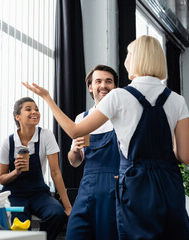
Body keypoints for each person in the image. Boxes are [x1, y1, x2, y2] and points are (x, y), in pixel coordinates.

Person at [23, 35, 189, 240]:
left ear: (138, 58)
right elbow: (185, 156)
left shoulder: (119, 96)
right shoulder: (177, 100)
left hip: (135, 182)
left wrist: (48, 99)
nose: (126, 60)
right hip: (169, 183)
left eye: (129, 54)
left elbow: (75, 131)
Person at [0, 97, 72, 240]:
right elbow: (2, 178)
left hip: (39, 192)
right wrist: (16, 172)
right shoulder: (8, 142)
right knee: (19, 225)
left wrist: (67, 206)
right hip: (15, 194)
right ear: (17, 116)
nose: (35, 112)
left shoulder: (45, 135)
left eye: (36, 109)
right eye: (29, 109)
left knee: (56, 213)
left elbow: (55, 173)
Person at [66, 65, 119, 240]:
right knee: (75, 234)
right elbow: (75, 161)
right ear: (90, 87)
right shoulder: (81, 118)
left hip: (115, 187)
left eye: (108, 81)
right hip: (87, 187)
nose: (103, 85)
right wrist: (74, 150)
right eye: (98, 81)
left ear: (115, 87)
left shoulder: (122, 116)